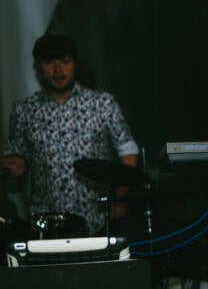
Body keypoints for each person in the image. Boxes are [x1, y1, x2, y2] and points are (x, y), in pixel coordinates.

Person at [2, 34, 139, 236]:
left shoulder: (102, 104)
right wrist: (13, 169)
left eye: (65, 61)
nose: (58, 70)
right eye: (50, 62)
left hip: (98, 222)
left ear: (75, 64)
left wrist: (120, 198)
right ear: (37, 67)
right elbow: (14, 164)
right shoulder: (24, 110)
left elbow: (129, 151)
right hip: (45, 225)